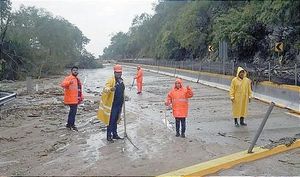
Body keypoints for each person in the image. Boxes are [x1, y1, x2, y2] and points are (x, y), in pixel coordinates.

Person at [97, 64, 125, 142]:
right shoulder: (111, 80)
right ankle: (109, 136)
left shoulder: (121, 80)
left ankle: (115, 134)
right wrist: (110, 89)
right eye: (117, 72)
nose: (119, 74)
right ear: (114, 72)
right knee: (111, 120)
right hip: (113, 104)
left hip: (119, 104)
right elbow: (105, 88)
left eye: (120, 72)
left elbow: (122, 90)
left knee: (116, 120)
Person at [61, 66, 83, 131]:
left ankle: (69, 124)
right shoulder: (69, 78)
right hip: (71, 99)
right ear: (71, 71)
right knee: (73, 112)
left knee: (72, 112)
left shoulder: (77, 79)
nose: (75, 71)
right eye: (74, 70)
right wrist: (69, 82)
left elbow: (79, 89)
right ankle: (71, 125)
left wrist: (81, 97)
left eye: (76, 70)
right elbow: (62, 84)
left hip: (75, 99)